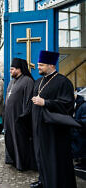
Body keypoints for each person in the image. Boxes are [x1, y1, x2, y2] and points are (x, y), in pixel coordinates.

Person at [30, 50, 76, 188]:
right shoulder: (38, 81)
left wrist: (46, 102)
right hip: (39, 127)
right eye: (38, 64)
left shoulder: (63, 82)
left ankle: (56, 183)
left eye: (41, 65)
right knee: (40, 155)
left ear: (51, 65)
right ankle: (43, 180)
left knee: (54, 157)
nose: (38, 67)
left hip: (54, 130)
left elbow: (67, 105)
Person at [4, 58, 37, 171]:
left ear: (19, 69)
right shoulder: (12, 81)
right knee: (9, 139)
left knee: (20, 141)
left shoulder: (28, 81)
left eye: (12, 69)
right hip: (9, 117)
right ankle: (12, 159)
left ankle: (21, 164)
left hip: (19, 118)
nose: (10, 71)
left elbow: (28, 102)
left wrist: (23, 118)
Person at [71, 87, 86, 180]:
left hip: (81, 134)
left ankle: (83, 163)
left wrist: (73, 123)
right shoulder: (78, 103)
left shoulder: (83, 105)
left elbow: (83, 122)